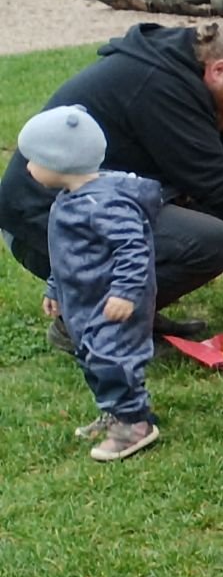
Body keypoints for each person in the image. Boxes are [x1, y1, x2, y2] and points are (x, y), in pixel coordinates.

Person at [1, 19, 223, 338]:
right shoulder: (161, 86)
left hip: (104, 205)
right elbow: (218, 181)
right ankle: (91, 323)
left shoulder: (191, 74)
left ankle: (136, 315)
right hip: (43, 225)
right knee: (210, 242)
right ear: (220, 70)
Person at [20, 104, 164, 461]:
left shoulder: (106, 204)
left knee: (112, 359)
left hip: (113, 301)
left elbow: (133, 249)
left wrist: (126, 292)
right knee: (92, 356)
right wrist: (55, 287)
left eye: (34, 160)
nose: (27, 168)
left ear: (60, 162)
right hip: (86, 301)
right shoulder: (71, 199)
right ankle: (119, 412)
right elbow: (67, 253)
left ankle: (133, 424)